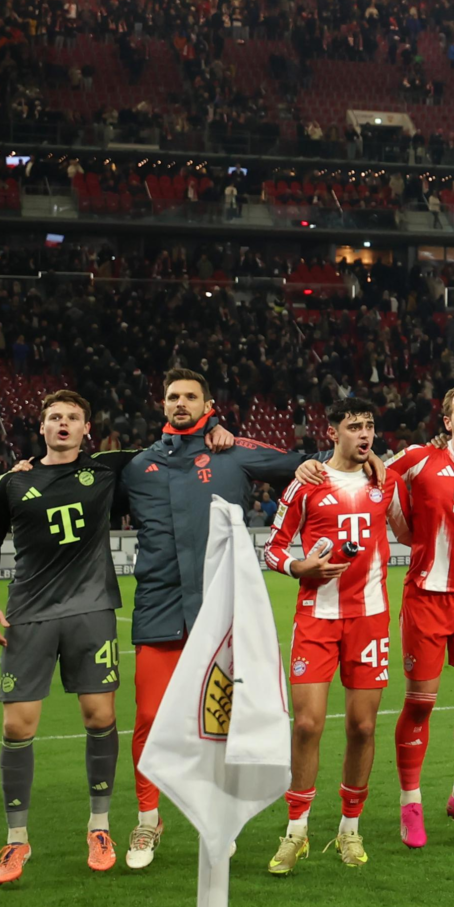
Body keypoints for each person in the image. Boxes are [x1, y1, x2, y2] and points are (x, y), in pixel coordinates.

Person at [294, 380, 454, 846]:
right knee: (420, 705)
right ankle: (411, 803)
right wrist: (311, 464)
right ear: (447, 421)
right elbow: (359, 467)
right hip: (427, 597)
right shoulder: (420, 458)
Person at [120, 366, 323, 869]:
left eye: (190, 396)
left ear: (207, 404)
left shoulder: (234, 453)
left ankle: (220, 821)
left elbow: (309, 464)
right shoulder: (135, 467)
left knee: (224, 726)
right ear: (162, 405)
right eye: (172, 396)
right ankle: (148, 821)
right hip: (161, 608)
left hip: (222, 613)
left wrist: (372, 465)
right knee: (148, 718)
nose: (180, 403)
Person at [0, 390, 128, 885]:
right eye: (54, 417)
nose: (63, 424)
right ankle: (16, 841)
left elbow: (170, 456)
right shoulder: (12, 483)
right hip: (30, 612)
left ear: (88, 429)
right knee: (18, 726)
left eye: (73, 418)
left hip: (92, 609)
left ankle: (100, 827)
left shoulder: (106, 472)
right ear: (41, 427)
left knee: (100, 715)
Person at [262, 403, 395, 874]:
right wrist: (300, 566)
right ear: (333, 432)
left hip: (369, 619)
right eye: (354, 427)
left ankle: (349, 829)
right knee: (308, 724)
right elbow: (273, 547)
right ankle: (295, 831)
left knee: (362, 727)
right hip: (317, 618)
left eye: (370, 426)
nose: (364, 434)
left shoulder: (385, 479)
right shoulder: (308, 482)